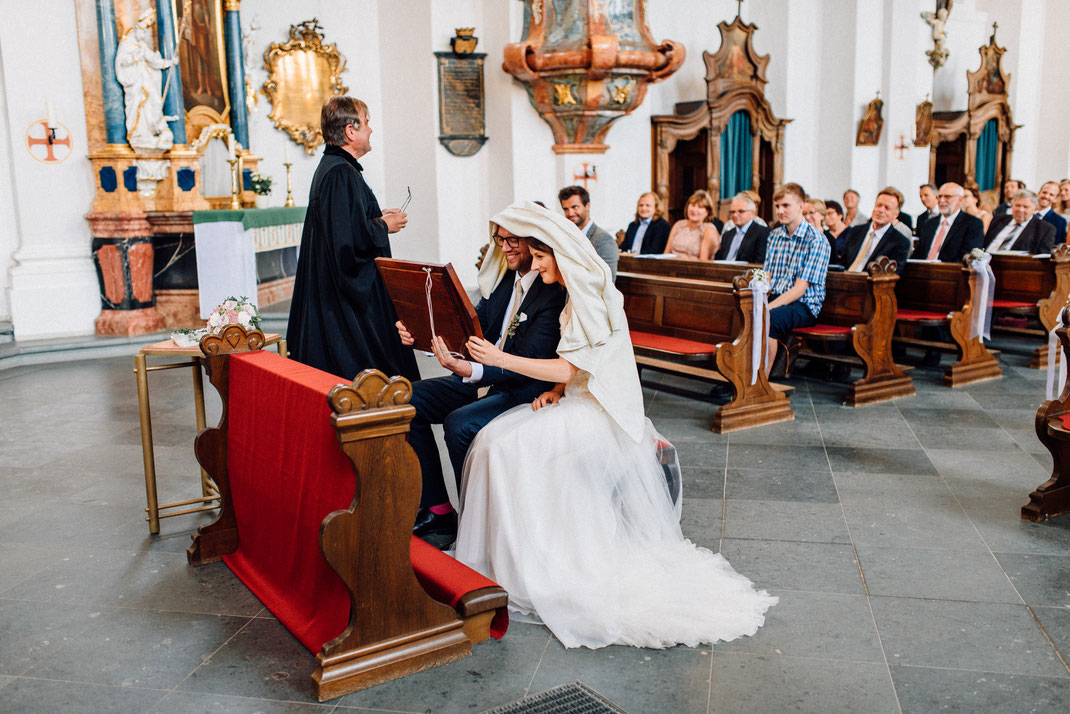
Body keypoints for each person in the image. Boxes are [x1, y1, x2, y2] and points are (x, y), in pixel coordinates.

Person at [456, 201, 777, 649]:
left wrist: (504, 360)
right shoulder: (570, 291)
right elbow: (579, 368)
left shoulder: (589, 293)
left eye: (542, 256)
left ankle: (541, 557)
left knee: (505, 449)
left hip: (597, 413)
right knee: (491, 441)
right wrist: (554, 393)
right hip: (574, 400)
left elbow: (572, 368)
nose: (538, 263)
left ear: (560, 254)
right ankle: (505, 553)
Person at [398, 227, 567, 548]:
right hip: (484, 374)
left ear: (534, 243)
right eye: (499, 240)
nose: (504, 248)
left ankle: (480, 521)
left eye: (512, 240)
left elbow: (527, 358)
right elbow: (474, 329)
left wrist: (472, 369)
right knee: (410, 399)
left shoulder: (552, 293)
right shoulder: (505, 281)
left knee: (460, 424)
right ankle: (439, 510)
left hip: (523, 385)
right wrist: (424, 340)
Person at [287, 96, 419, 382]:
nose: (370, 129)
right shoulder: (340, 174)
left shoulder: (335, 169)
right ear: (350, 131)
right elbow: (347, 246)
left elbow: (344, 225)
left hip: (332, 296)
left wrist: (374, 217)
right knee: (375, 376)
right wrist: (383, 226)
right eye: (367, 122)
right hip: (344, 307)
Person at [762, 183, 831, 374]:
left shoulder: (816, 241)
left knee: (768, 318)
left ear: (801, 206)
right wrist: (758, 299)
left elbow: (800, 289)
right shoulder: (774, 236)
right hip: (777, 296)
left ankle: (761, 382)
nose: (780, 211)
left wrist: (766, 307)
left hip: (804, 305)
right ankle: (741, 374)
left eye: (786, 205)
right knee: (742, 312)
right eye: (777, 207)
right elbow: (767, 276)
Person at [834, 187, 912, 275]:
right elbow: (842, 263)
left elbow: (890, 277)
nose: (881, 210)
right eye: (879, 205)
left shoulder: (900, 242)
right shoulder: (856, 231)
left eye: (887, 208)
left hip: (870, 285)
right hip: (844, 280)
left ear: (895, 214)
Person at [912, 182, 985, 262]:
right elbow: (917, 254)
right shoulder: (929, 223)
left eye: (947, 196)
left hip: (949, 271)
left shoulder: (972, 224)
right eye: (939, 196)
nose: (941, 200)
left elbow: (968, 258)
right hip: (922, 270)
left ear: (960, 200)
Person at [558, 185, 619, 279]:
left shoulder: (604, 240)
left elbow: (607, 282)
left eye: (575, 207)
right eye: (566, 209)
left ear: (587, 206)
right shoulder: (566, 237)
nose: (570, 213)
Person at [984, 190, 1055, 254]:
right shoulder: (998, 220)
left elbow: (1042, 259)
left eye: (1026, 207)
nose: (1020, 210)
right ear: (1012, 205)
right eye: (1017, 205)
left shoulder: (1044, 229)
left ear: (1035, 209)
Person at [664, 190, 720, 260]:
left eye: (700, 207)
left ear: (707, 212)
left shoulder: (709, 230)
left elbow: (703, 262)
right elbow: (666, 254)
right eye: (693, 205)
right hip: (670, 267)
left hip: (693, 269)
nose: (694, 210)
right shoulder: (678, 225)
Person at [714, 193, 769, 262]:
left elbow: (759, 262)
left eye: (741, 211)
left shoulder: (762, 233)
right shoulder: (727, 235)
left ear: (752, 214)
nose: (735, 215)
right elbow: (719, 259)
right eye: (733, 212)